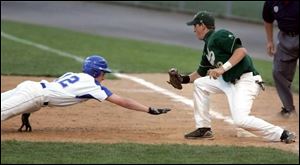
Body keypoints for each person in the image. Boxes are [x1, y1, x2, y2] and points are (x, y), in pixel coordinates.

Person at [167, 11, 296, 143]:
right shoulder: (207, 48)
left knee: (240, 120)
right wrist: (182, 79)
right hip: (228, 81)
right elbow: (199, 73)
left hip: (246, 81)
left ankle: (282, 134)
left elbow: (241, 51)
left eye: (195, 25)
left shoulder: (219, 35)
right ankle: (204, 128)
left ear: (203, 26)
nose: (193, 29)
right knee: (200, 84)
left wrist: (222, 69)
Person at [1, 55, 171, 131]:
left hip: (29, 88)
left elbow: (49, 93)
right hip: (33, 96)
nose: (104, 76)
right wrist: (149, 110)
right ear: (97, 72)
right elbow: (123, 101)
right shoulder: (93, 86)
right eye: (104, 72)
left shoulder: (73, 75)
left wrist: (26, 113)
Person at [262, 1, 299, 118]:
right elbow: (268, 20)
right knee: (278, 72)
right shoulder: (271, 2)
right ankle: (289, 110)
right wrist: (269, 41)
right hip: (285, 38)